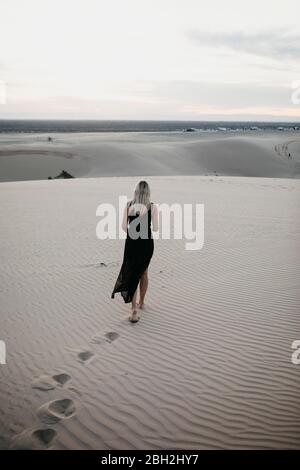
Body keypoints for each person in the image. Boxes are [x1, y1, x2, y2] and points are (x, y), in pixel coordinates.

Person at [111, 180, 158, 322]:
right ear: (148, 192)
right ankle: (141, 302)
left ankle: (134, 309)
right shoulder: (152, 206)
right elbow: (155, 228)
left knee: (133, 272)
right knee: (143, 272)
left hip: (132, 242)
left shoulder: (129, 205)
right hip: (146, 243)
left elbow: (124, 227)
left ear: (135, 191)